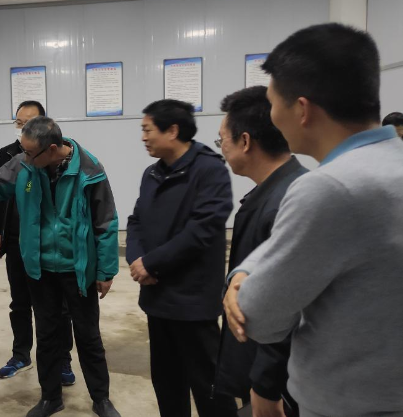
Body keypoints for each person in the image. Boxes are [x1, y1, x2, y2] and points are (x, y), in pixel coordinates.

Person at [224, 23, 403, 417]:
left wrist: (239, 282)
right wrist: (248, 269)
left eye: (273, 103)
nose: (271, 116)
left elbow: (259, 316)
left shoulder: (328, 189)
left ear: (302, 110)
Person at [0, 117, 121, 417]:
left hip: (77, 269)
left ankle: (101, 399)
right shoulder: (25, 165)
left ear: (52, 149)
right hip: (40, 268)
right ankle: (50, 398)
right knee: (46, 335)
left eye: (30, 153)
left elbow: (106, 222)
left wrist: (106, 271)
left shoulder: (89, 169)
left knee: (88, 336)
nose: (24, 158)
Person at [126, 99, 235, 417]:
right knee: (167, 382)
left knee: (209, 386)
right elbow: (136, 220)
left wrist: (151, 264)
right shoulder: (152, 173)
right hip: (157, 298)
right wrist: (137, 260)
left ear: (172, 131)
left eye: (148, 130)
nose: (143, 137)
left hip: (192, 302)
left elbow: (201, 231)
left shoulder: (209, 170)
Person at [213, 86, 307, 417]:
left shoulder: (287, 203)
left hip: (281, 383)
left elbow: (286, 303)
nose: (221, 148)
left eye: (221, 140)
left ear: (245, 141)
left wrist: (266, 384)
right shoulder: (276, 191)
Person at [0, 101, 75, 385]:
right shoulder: (8, 153)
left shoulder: (55, 153)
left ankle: (63, 359)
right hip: (16, 237)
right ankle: (21, 354)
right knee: (20, 302)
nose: (23, 127)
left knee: (58, 306)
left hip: (47, 240)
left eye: (29, 122)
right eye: (19, 122)